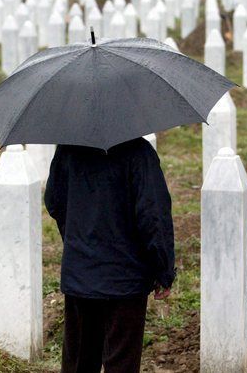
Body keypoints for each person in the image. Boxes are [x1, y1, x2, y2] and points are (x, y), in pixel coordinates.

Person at [45, 137, 175, 373]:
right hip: (126, 278)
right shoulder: (139, 152)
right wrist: (163, 270)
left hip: (80, 272)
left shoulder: (68, 149)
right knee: (121, 363)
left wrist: (78, 241)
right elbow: (153, 216)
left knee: (79, 362)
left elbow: (55, 202)